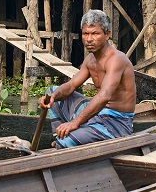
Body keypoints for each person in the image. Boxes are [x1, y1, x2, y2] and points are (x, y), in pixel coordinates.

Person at [38, 10, 137, 148]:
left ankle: (64, 140)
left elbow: (104, 96)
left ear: (107, 34)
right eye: (86, 34)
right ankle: (60, 135)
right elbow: (71, 85)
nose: (89, 39)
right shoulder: (90, 59)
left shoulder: (116, 59)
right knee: (53, 92)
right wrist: (53, 96)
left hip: (116, 123)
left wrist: (75, 123)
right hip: (98, 116)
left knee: (66, 143)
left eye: (95, 33)